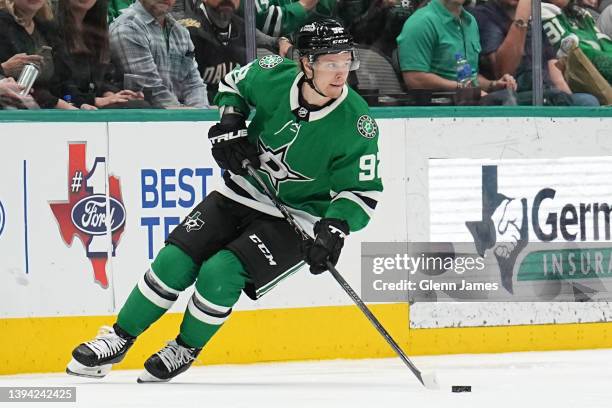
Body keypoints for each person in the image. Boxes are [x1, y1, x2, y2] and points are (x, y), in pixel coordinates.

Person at [66, 19, 383, 383]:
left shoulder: (357, 123)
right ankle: (118, 339)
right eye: (330, 63)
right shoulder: (271, 73)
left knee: (220, 273)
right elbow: (233, 85)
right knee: (173, 261)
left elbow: (362, 191)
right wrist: (231, 120)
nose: (341, 72)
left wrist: (334, 228)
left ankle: (184, 347)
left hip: (299, 216)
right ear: (306, 63)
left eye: (346, 62)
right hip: (241, 191)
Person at [473, 0, 600, 105]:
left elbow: (555, 75)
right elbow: (503, 70)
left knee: (587, 102)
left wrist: (569, 103)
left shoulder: (534, 20)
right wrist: (521, 18)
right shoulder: (484, 15)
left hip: (549, 95)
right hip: (515, 97)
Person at [396, 0, 518, 104]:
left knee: (508, 98)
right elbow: (415, 79)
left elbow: (469, 77)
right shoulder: (420, 23)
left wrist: (493, 85)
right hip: (438, 112)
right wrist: (462, 88)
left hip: (469, 105)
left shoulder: (470, 22)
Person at [173, 0, 292, 104]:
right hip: (199, 111)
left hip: (235, 109)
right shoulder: (186, 30)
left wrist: (281, 42)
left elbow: (270, 41)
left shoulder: (241, 26)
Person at [109, 0, 209, 108]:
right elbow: (152, 90)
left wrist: (201, 112)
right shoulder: (127, 27)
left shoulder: (181, 32)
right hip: (138, 120)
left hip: (180, 118)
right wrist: (190, 115)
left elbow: (194, 85)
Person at [56, 0, 146, 109]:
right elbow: (58, 85)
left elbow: (103, 77)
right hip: (70, 105)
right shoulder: (53, 28)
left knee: (137, 104)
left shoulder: (95, 27)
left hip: (91, 102)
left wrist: (112, 95)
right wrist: (94, 100)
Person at [0, 0, 75, 109]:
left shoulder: (48, 28)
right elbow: (21, 87)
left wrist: (80, 103)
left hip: (47, 112)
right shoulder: (2, 25)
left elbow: (62, 80)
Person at [542, 0, 612, 84]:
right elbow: (577, 54)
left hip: (602, 76)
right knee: (586, 98)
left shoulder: (580, 12)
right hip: (579, 81)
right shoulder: (542, 13)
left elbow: (603, 41)